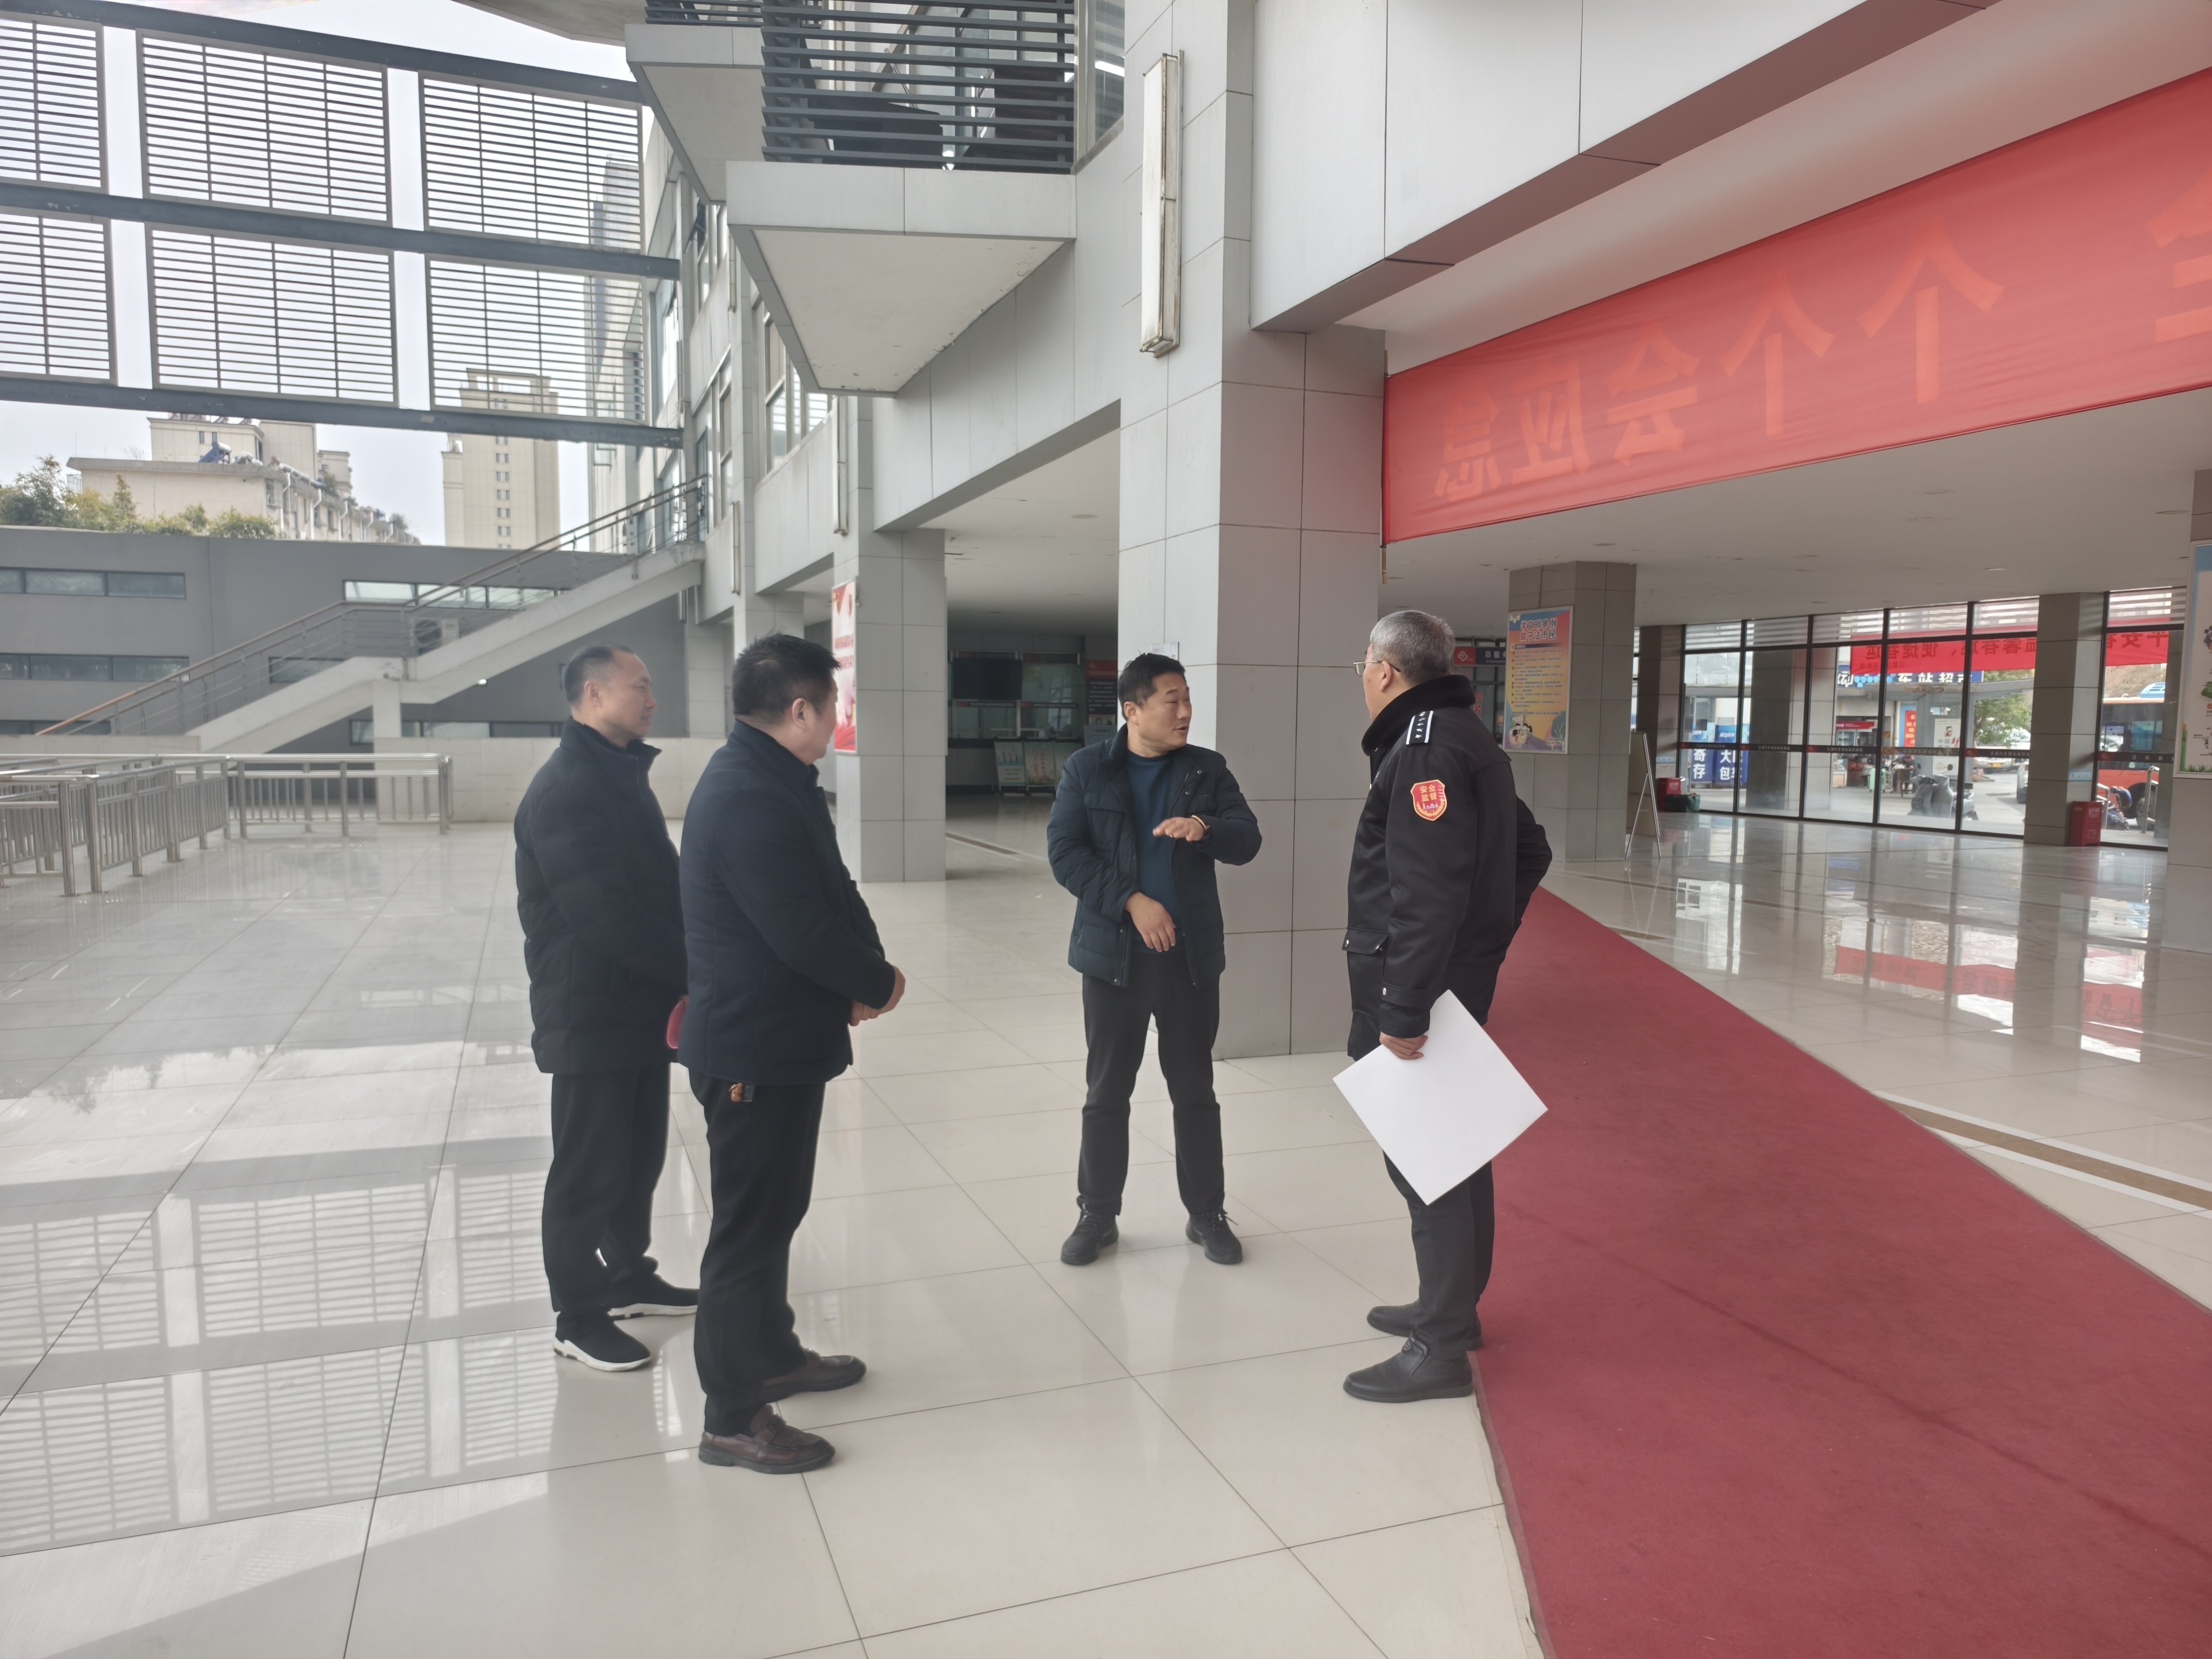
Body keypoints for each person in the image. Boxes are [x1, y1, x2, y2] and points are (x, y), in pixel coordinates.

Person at [679, 633, 904, 1473]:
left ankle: (772, 1355)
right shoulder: (746, 795)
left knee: (777, 1213)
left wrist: (869, 970)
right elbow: (799, 929)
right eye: (834, 704)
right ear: (802, 709)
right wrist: (875, 982)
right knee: (747, 1232)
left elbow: (834, 891)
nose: (839, 717)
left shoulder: (780, 780)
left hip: (782, 1040)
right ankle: (732, 1416)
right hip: (752, 1049)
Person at [1340, 610, 1551, 1404]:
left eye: (1363, 663)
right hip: (1446, 981)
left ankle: (1441, 1347)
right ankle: (1450, 1308)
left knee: (1427, 1161)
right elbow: (1531, 851)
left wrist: (1404, 1007)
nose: (1362, 675)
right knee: (1454, 1152)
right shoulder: (1463, 736)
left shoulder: (1423, 747)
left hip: (1417, 992)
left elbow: (1426, 893)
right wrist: (1484, 944)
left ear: (1385, 671)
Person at [1046, 653, 1263, 1267]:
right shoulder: (1087, 769)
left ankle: (1206, 1213)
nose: (1186, 711)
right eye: (1172, 700)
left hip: (1189, 961)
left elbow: (1248, 838)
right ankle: (1097, 1214)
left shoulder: (1206, 770)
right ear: (1133, 710)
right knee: (1107, 1092)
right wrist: (1132, 902)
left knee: (1195, 1090)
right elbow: (1066, 853)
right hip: (1113, 960)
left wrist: (1204, 827)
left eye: (1187, 698)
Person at [514, 643, 694, 1374]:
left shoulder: (617, 774)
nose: (651, 700)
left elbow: (661, 884)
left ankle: (627, 1276)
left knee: (638, 1153)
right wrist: (700, 968)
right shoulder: (566, 790)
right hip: (588, 1007)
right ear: (593, 695)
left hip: (637, 1001)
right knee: (587, 1168)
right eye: (639, 686)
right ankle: (578, 1315)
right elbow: (606, 917)